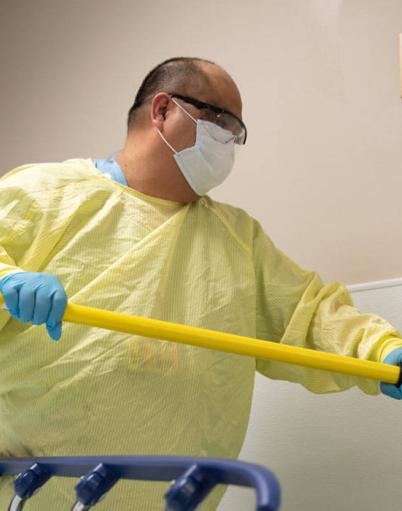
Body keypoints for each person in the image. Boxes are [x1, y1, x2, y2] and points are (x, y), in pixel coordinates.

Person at [0, 56, 401, 510]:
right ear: (164, 111)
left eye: (238, 132)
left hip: (180, 497)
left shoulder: (237, 238)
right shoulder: (47, 193)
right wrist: (8, 281)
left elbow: (307, 315)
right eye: (222, 120)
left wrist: (381, 351)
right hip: (40, 490)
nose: (231, 140)